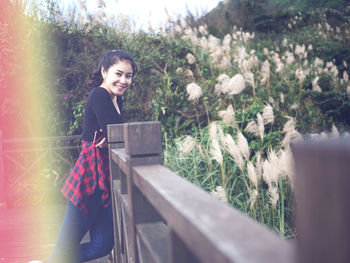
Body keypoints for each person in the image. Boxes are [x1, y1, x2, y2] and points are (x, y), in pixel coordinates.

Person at [48, 49, 136, 263]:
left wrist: (113, 137)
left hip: (104, 182)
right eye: (118, 73)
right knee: (64, 249)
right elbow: (117, 130)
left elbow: (114, 132)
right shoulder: (100, 95)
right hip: (88, 182)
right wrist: (115, 135)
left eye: (128, 75)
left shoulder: (116, 99)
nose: (123, 80)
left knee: (103, 244)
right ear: (104, 71)